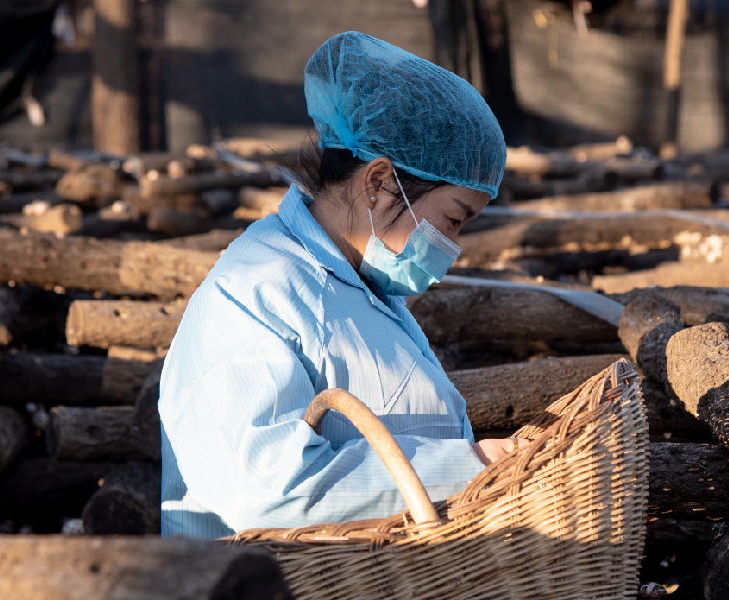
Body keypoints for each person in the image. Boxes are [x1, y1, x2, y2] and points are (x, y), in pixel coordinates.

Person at [159, 31, 524, 539]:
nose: (452, 245)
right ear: (377, 182)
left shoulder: (360, 283)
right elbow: (266, 493)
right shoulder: (255, 290)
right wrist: (465, 465)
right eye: (454, 220)